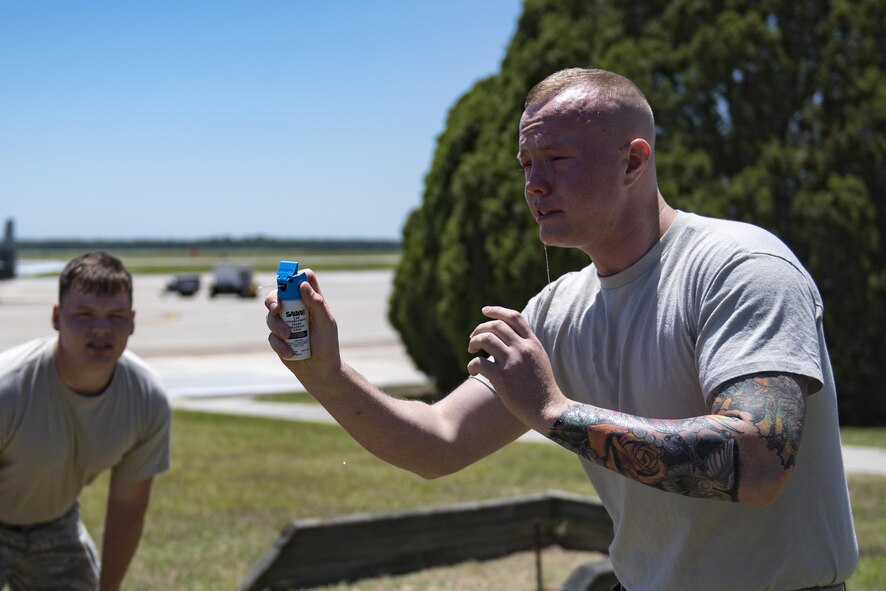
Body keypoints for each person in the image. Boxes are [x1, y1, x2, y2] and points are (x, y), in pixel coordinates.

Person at [265, 68, 857, 590]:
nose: (533, 185)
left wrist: (551, 411)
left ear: (633, 161)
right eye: (527, 164)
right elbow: (437, 442)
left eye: (557, 160)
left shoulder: (740, 268)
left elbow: (757, 463)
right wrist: (328, 376)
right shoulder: (558, 308)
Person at [0, 252, 171, 591]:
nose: (101, 329)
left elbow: (127, 506)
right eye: (84, 314)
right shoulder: (9, 389)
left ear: (133, 321)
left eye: (116, 316)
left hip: (55, 524)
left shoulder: (147, 399)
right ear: (56, 317)